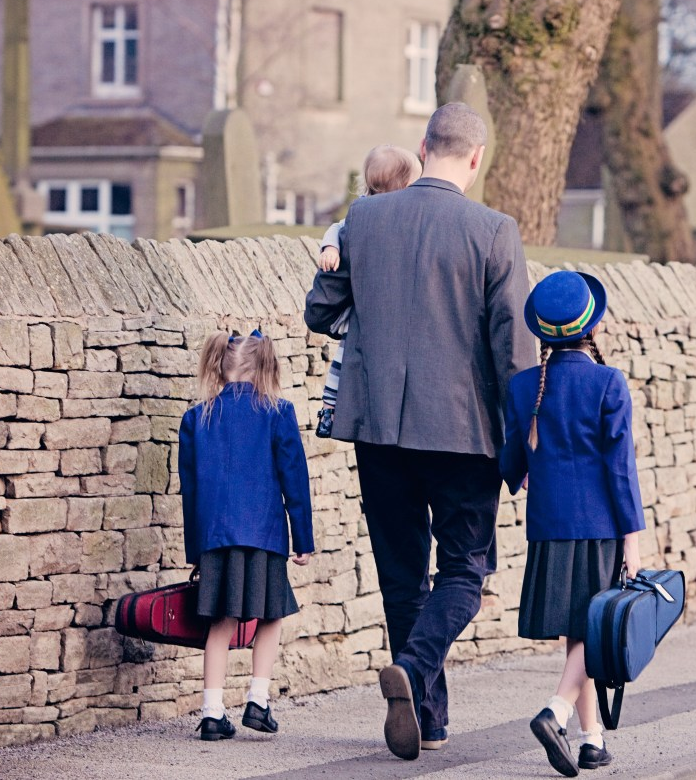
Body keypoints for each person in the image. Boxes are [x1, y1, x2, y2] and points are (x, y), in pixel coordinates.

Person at [304, 102, 538, 760]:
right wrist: (520, 442)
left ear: (421, 144)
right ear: (475, 157)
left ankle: (429, 722)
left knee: (402, 575)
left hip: (376, 425)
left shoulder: (364, 217)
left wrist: (334, 264)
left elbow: (321, 313)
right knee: (465, 571)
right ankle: (414, 668)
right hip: (463, 432)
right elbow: (514, 350)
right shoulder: (493, 230)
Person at [499, 270, 646, 777]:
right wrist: (633, 537)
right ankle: (556, 710)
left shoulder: (523, 387)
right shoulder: (608, 382)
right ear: (594, 328)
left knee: (579, 633)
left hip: (547, 527)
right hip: (600, 527)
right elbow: (619, 468)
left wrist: (522, 476)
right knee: (591, 629)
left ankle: (592, 740)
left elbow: (510, 461)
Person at [178, 329, 315, 741]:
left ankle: (212, 713)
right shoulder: (278, 413)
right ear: (264, 368)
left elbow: (190, 490)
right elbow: (295, 479)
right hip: (265, 533)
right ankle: (258, 699)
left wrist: (195, 550)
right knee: (271, 615)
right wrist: (303, 539)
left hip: (215, 538)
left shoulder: (196, 418)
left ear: (219, 368)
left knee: (221, 622)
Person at [314, 145, 423, 438]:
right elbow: (337, 228)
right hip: (363, 304)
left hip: (380, 301)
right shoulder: (361, 214)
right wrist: (331, 247)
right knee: (349, 348)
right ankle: (330, 407)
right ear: (404, 186)